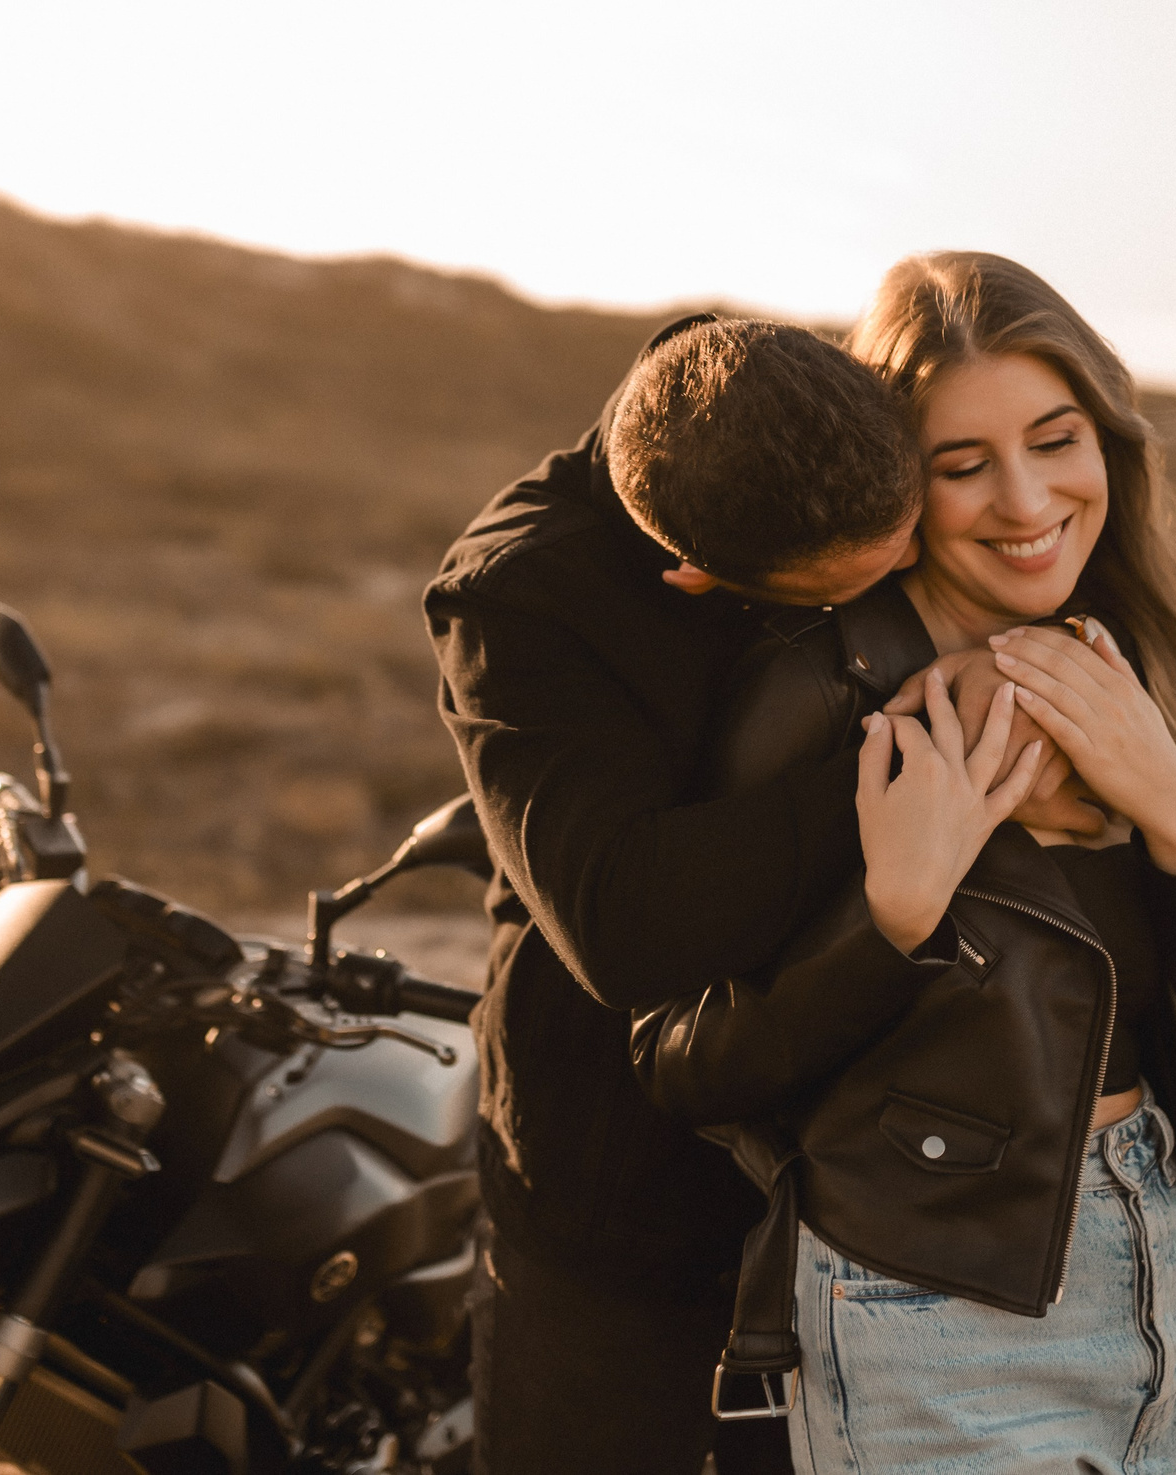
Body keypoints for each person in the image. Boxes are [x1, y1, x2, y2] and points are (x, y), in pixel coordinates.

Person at [632, 253, 1176, 1475]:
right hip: (924, 1308)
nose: (1026, 498)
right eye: (960, 465)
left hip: (1165, 1265)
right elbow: (686, 1063)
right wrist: (893, 920)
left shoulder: (1134, 650)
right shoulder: (819, 690)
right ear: (897, 488)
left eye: (1057, 439)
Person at [425, 313, 1012, 1475]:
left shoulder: (821, 401)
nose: (913, 570)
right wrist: (901, 767)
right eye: (863, 577)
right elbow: (627, 925)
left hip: (877, 1179)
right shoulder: (516, 593)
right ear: (697, 578)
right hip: (623, 1193)